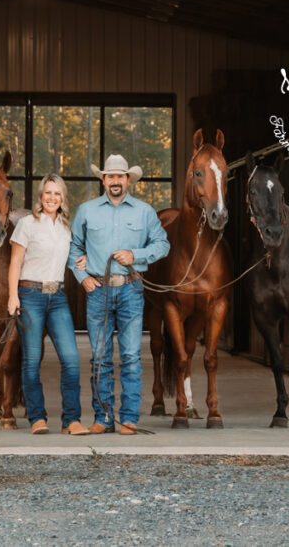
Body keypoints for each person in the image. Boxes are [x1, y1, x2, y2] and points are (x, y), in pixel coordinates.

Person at [68, 154, 170, 435]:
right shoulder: (87, 211)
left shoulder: (144, 211)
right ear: (103, 179)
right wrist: (82, 278)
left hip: (131, 289)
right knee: (99, 358)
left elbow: (163, 245)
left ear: (128, 180)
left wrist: (135, 254)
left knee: (131, 356)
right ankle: (102, 418)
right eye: (110, 176)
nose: (115, 181)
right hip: (97, 290)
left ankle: (128, 418)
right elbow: (73, 248)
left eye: (120, 176)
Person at [7, 174, 90, 436]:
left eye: (57, 193)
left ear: (63, 197)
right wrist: (12, 296)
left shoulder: (66, 228)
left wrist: (83, 259)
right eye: (47, 193)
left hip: (58, 297)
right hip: (30, 294)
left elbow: (71, 256)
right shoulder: (27, 225)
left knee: (71, 359)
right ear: (40, 196)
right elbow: (15, 263)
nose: (52, 198)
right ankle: (37, 418)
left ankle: (72, 420)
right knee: (31, 361)